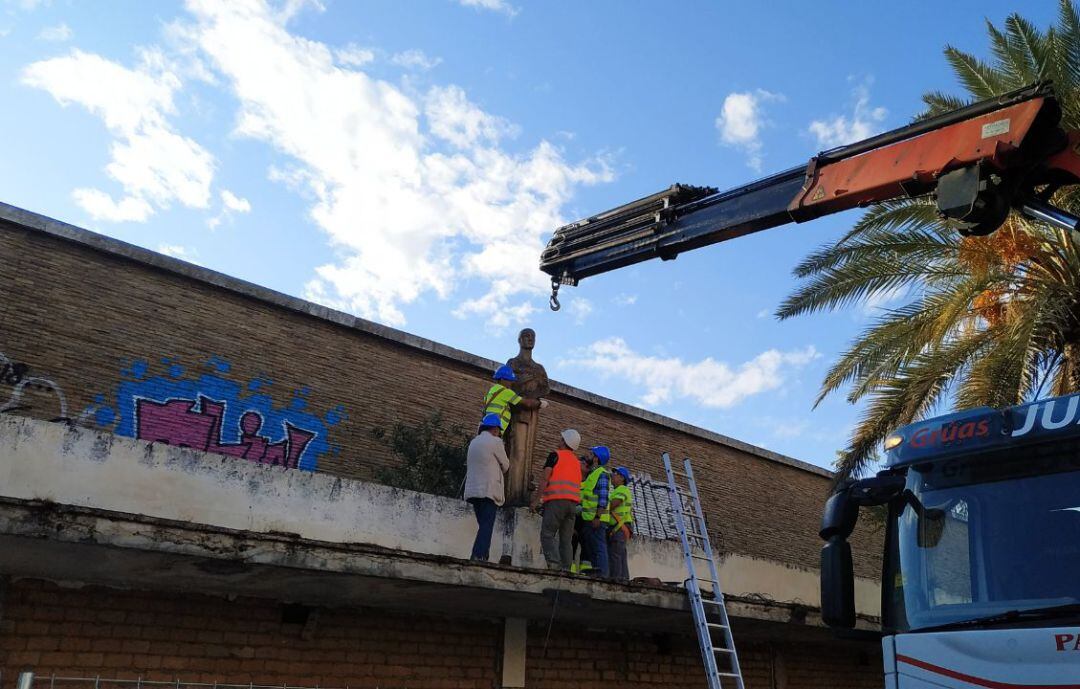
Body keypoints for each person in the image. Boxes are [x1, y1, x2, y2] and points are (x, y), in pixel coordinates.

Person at [532, 429, 583, 570]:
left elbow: (544, 478)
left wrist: (536, 500)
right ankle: (566, 569)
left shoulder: (555, 455)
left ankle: (554, 564)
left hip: (556, 501)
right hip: (572, 505)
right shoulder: (576, 462)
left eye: (561, 438)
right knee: (566, 540)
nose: (558, 440)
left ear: (565, 441)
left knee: (547, 534)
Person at [463, 413, 510, 561]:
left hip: (473, 491)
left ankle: (484, 554)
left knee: (483, 524)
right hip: (488, 490)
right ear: (495, 429)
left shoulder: (474, 442)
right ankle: (478, 555)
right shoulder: (495, 442)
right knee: (486, 525)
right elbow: (506, 465)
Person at [580, 445, 612, 577]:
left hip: (596, 520)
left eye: (591, 454)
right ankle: (596, 574)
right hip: (589, 519)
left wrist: (598, 517)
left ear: (596, 459)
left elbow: (603, 498)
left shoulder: (602, 474)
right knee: (593, 549)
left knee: (599, 549)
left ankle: (602, 576)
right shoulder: (593, 474)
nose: (588, 455)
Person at [483, 365, 545, 432]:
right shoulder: (505, 392)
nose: (511, 383)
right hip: (495, 430)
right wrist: (540, 403)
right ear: (502, 379)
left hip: (487, 429)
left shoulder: (493, 390)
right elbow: (527, 403)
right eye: (509, 380)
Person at [607, 466, 634, 581]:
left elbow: (613, 505)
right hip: (621, 528)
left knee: (615, 555)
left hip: (619, 528)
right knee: (620, 555)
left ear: (622, 478)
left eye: (615, 474)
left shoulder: (622, 490)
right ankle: (623, 580)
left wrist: (600, 506)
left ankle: (615, 581)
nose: (612, 476)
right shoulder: (618, 490)